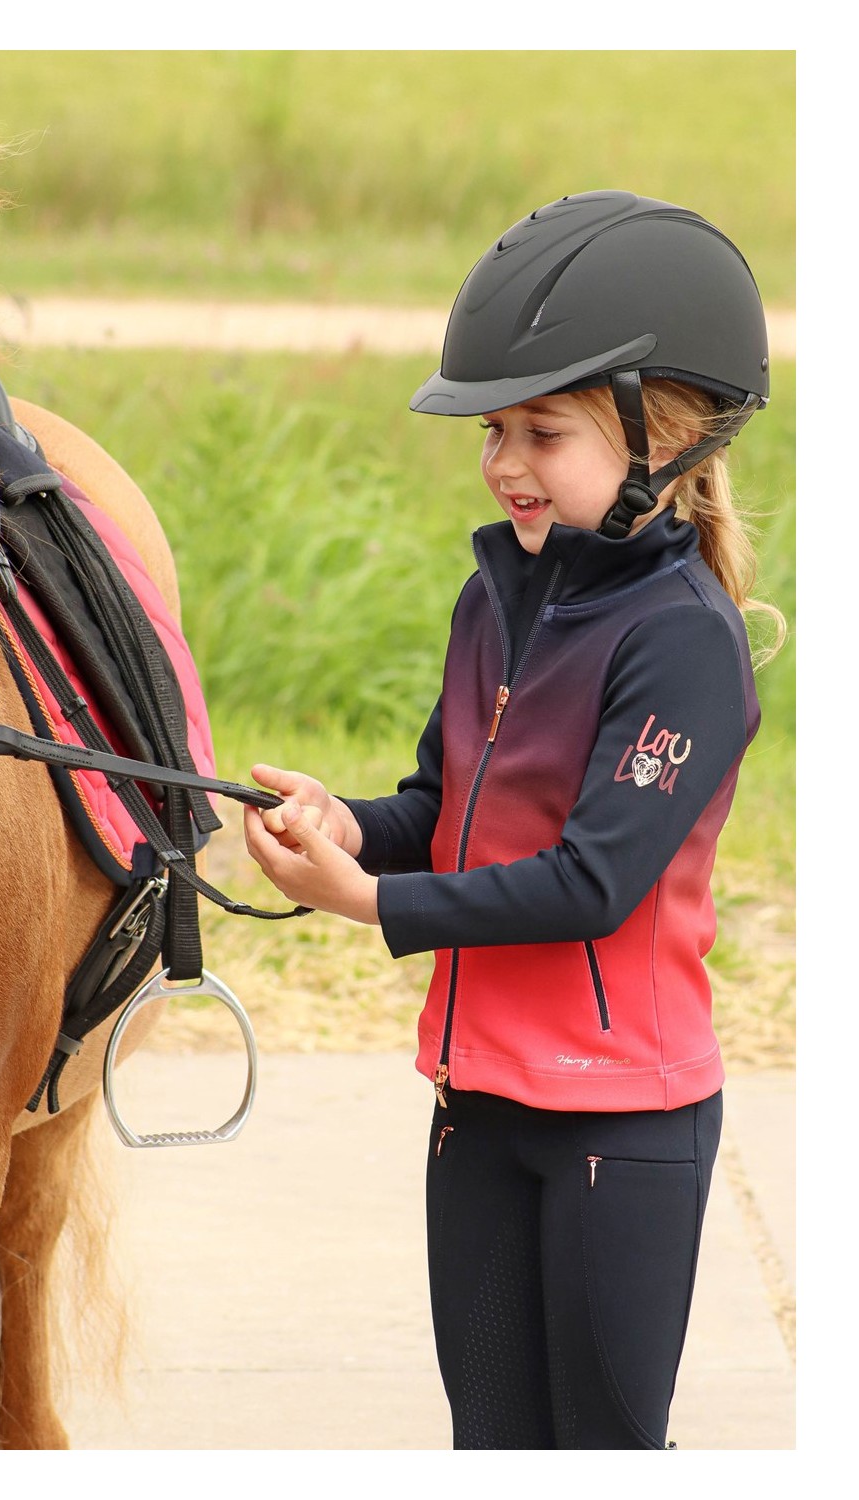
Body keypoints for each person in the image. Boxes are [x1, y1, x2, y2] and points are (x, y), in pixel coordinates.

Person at [242, 190, 786, 1450]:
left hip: (622, 1125)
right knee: (489, 1442)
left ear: (665, 437)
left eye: (545, 432)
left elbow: (592, 882)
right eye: (496, 431)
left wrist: (369, 904)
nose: (504, 464)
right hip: (476, 1104)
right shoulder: (493, 603)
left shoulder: (687, 645)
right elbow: (443, 808)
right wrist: (349, 825)